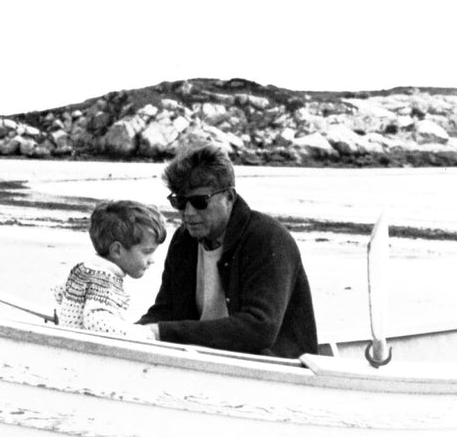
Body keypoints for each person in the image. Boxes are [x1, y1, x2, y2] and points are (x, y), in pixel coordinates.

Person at [138, 143, 318, 358]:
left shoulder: (267, 238)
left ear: (229, 197)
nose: (188, 212)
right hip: (208, 358)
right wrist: (130, 331)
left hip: (276, 367)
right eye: (180, 201)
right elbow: (167, 310)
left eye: (199, 201)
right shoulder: (183, 239)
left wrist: (160, 332)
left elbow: (259, 328)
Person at [54, 200, 167, 340]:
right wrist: (145, 334)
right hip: (86, 351)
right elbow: (97, 322)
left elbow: (59, 292)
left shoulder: (82, 269)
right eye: (146, 252)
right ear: (117, 250)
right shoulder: (104, 281)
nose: (152, 260)